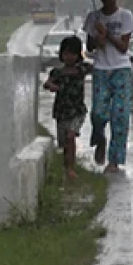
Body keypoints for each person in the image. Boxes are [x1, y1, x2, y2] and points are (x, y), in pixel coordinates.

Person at [83, 0, 133, 173]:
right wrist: (97, 35)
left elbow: (123, 47)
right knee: (98, 113)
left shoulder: (125, 16)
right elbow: (90, 46)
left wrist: (108, 34)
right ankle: (100, 139)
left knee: (120, 116)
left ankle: (114, 160)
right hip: (101, 69)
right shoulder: (93, 17)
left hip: (121, 69)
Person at [43, 35, 91, 180]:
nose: (69, 57)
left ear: (78, 55)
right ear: (61, 54)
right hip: (61, 111)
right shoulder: (57, 72)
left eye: (72, 53)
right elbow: (47, 83)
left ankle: (71, 169)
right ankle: (67, 168)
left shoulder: (82, 69)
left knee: (71, 136)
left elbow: (98, 68)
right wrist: (53, 86)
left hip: (77, 111)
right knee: (64, 143)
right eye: (66, 53)